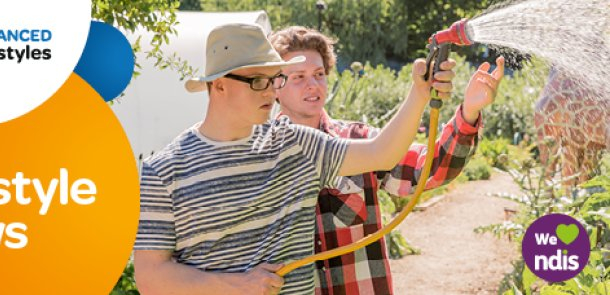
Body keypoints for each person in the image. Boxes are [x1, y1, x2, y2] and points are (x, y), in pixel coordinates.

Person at [133, 22, 479, 295]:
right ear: (220, 85)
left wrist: (420, 94)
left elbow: (382, 153)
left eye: (275, 79)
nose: (271, 90)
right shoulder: (163, 170)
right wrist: (235, 286)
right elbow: (150, 277)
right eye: (259, 81)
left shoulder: (296, 145)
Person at [268, 26, 505, 295]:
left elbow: (430, 169)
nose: (313, 84)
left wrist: (469, 112)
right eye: (298, 77)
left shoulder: (362, 143)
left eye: (319, 74)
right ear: (273, 85)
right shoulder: (259, 157)